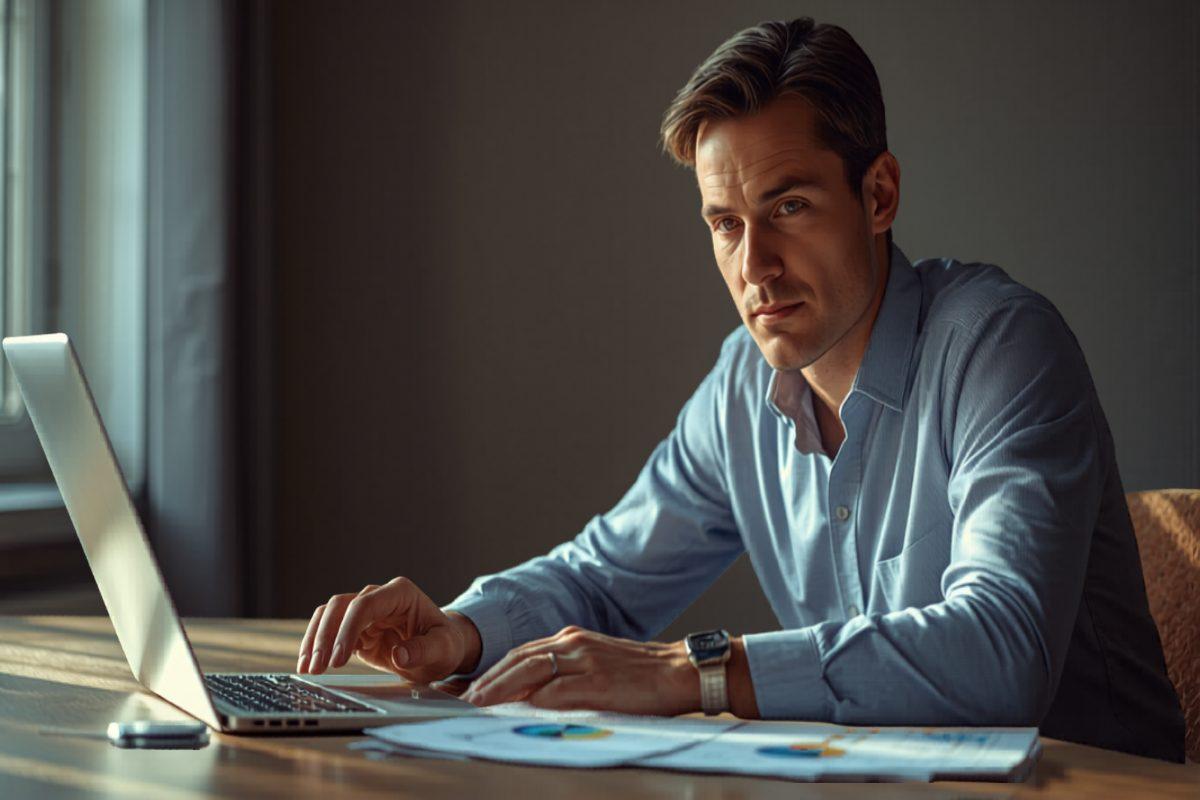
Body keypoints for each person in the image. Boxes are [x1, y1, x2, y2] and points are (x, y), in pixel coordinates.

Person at [295, 17, 1185, 762]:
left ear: (879, 194)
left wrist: (694, 671)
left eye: (788, 207)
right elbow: (606, 578)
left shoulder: (1003, 347)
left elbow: (1002, 652)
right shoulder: (742, 385)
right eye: (726, 224)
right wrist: (460, 630)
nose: (754, 266)